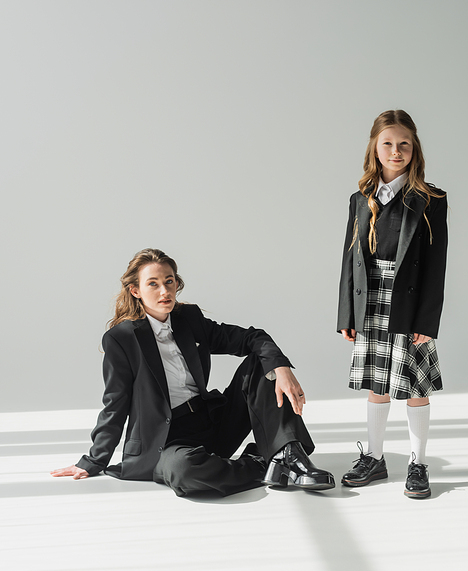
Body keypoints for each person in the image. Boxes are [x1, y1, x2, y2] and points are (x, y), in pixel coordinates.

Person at [52, 248, 335, 496]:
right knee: (184, 472)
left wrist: (280, 367)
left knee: (263, 364)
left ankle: (289, 454)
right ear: (135, 291)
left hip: (212, 423)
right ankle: (267, 462)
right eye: (153, 284)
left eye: (169, 281)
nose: (164, 291)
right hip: (168, 440)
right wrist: (93, 461)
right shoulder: (121, 339)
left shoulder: (189, 319)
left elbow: (252, 338)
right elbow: (115, 403)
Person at [337, 110, 447, 499]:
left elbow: (436, 267)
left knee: (416, 386)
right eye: (388, 143)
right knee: (376, 384)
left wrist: (427, 322)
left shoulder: (430, 199)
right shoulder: (359, 198)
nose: (396, 151)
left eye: (404, 143)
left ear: (414, 147)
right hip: (370, 300)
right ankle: (376, 458)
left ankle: (418, 463)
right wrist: (346, 315)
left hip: (411, 302)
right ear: (375, 148)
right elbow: (350, 260)